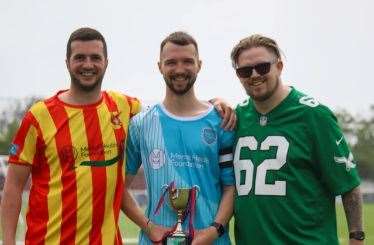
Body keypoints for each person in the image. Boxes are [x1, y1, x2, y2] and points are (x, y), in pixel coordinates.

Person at [1, 27, 141, 244]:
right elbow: (13, 186)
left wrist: (210, 106)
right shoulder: (39, 116)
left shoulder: (123, 106)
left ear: (106, 62)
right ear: (67, 62)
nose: (88, 65)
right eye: (79, 58)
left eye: (95, 57)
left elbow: (169, 112)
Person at [230, 34, 364, 244]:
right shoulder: (236, 118)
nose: (254, 75)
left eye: (263, 67)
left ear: (280, 66)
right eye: (245, 70)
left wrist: (356, 237)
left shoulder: (314, 116)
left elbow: (348, 185)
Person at [122, 32, 235, 245]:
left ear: (199, 65)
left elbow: (231, 187)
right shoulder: (141, 123)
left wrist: (212, 232)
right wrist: (150, 228)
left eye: (187, 62)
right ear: (160, 66)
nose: (180, 69)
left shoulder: (221, 121)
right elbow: (118, 188)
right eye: (171, 62)